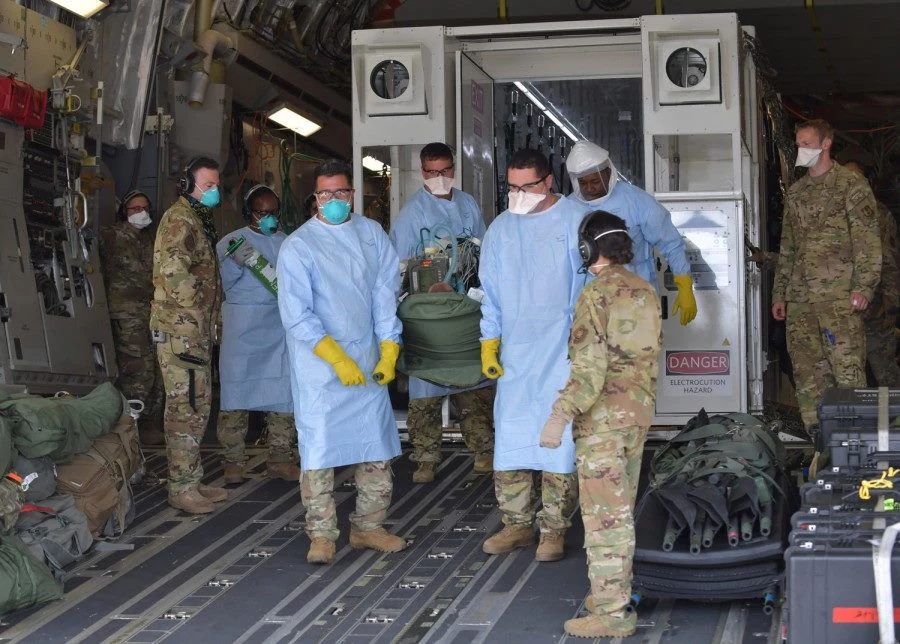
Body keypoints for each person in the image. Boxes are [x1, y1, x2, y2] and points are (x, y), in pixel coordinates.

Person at [277, 159, 407, 564]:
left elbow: (385, 293)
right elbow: (297, 314)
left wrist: (388, 347)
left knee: (376, 446)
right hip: (320, 368)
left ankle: (369, 527)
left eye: (342, 192)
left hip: (366, 361)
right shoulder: (299, 246)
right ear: (315, 199)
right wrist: (335, 357)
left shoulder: (371, 234)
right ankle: (321, 534)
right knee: (318, 451)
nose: (334, 200)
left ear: (353, 194)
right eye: (326, 194)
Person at [539, 211, 662, 639]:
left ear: (589, 248)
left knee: (605, 518)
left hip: (603, 422)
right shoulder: (645, 290)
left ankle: (612, 615)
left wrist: (560, 415)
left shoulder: (595, 295)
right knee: (620, 509)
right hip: (637, 415)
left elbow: (589, 369)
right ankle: (610, 591)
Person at [478, 148, 588, 563]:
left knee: (557, 441)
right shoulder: (501, 229)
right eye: (513, 187)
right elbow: (489, 291)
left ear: (548, 183)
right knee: (511, 436)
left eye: (528, 186)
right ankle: (516, 525)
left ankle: (554, 530)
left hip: (563, 351)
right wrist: (489, 341)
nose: (519, 194)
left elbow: (591, 288)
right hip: (516, 354)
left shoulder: (576, 221)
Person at [389, 142, 494, 483]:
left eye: (445, 170)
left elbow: (482, 252)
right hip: (428, 312)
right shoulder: (411, 214)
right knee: (426, 385)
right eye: (432, 172)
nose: (439, 178)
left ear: (453, 169)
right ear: (422, 173)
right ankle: (425, 459)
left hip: (464, 307)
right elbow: (400, 268)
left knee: (471, 378)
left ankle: (483, 450)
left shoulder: (467, 204)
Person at [772, 119, 881, 431]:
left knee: (846, 373)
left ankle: (855, 446)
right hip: (802, 302)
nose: (801, 150)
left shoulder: (851, 185)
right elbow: (789, 246)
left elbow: (867, 240)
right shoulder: (796, 193)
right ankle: (820, 446)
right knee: (808, 375)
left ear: (825, 143)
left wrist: (864, 287)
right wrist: (780, 293)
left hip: (839, 299)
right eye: (798, 145)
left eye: (807, 144)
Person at [150, 157, 227, 514]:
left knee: (198, 404)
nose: (214, 191)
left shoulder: (197, 218)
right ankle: (181, 487)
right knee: (185, 407)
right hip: (181, 330)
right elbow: (173, 271)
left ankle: (191, 480)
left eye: (215, 185)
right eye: (208, 185)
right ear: (187, 184)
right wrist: (198, 306)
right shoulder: (180, 219)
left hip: (194, 330)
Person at [215, 184, 300, 484]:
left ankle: (280, 457)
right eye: (261, 213)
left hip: (277, 327)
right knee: (236, 393)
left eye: (272, 213)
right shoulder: (232, 243)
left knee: (282, 392)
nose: (267, 218)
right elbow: (223, 282)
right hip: (243, 326)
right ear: (248, 212)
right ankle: (233, 463)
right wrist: (239, 261)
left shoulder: (290, 243)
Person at [565, 140, 697, 325]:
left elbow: (670, 243)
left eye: (594, 181)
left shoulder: (637, 202)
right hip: (588, 308)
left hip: (636, 302)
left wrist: (684, 285)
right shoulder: (568, 208)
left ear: (608, 172)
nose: (589, 188)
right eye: (583, 183)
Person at [100, 189, 165, 445]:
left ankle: (149, 423)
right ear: (124, 212)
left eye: (145, 208)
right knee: (138, 369)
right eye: (135, 209)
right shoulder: (111, 236)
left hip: (151, 313)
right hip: (126, 314)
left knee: (157, 370)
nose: (141, 213)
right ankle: (131, 425)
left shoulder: (153, 239)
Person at [840, 159, 900, 387]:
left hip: (876, 309)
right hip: (842, 308)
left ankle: (892, 420)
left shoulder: (880, 214)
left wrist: (890, 301)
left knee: (884, 370)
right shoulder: (832, 214)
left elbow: (890, 261)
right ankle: (849, 420)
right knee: (846, 373)